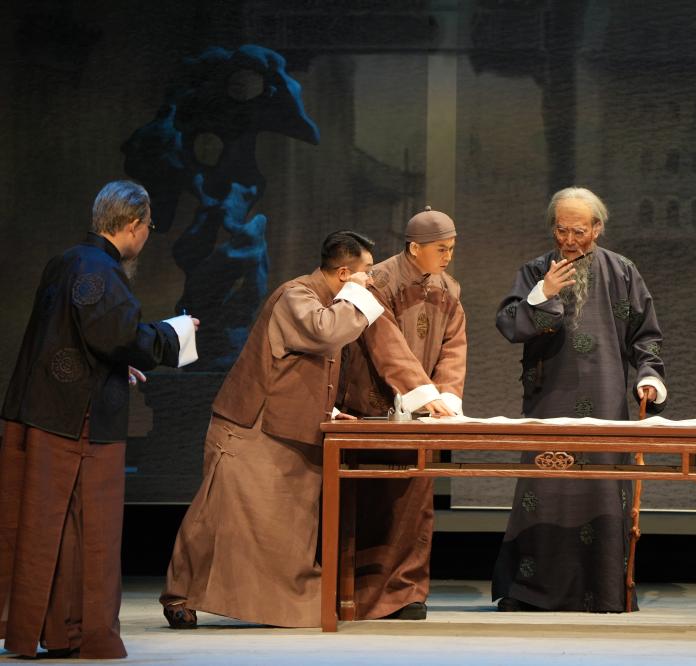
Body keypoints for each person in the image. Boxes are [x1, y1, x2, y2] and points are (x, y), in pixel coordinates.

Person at [0, 180, 196, 659]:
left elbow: (71, 334)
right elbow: (120, 335)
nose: (147, 235)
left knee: (49, 524)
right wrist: (173, 335)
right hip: (76, 424)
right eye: (149, 226)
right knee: (87, 527)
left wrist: (109, 365)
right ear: (132, 225)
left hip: (46, 411)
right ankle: (78, 633)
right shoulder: (101, 270)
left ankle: (52, 631)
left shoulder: (66, 261)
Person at [160, 230, 386, 629]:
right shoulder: (296, 296)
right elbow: (324, 332)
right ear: (344, 272)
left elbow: (296, 364)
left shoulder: (326, 300)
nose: (370, 279)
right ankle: (181, 595)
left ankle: (281, 606)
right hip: (251, 427)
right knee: (216, 516)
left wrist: (329, 408)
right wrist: (359, 297)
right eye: (366, 271)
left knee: (284, 532)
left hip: (286, 425)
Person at [490, 187, 667, 613]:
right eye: (561, 230)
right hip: (549, 398)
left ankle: (602, 591)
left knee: (600, 489)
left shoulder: (623, 271)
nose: (569, 240)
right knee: (544, 489)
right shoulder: (536, 270)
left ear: (597, 228)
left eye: (579, 231)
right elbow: (509, 324)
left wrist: (649, 376)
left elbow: (646, 337)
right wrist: (542, 294)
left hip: (605, 400)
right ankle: (531, 592)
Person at [337, 206, 466, 620]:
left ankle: (407, 592)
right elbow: (385, 343)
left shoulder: (448, 288)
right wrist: (422, 392)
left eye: (451, 248)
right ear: (414, 248)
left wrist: (447, 398)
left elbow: (453, 347)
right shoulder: (379, 281)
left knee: (415, 504)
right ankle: (359, 592)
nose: (448, 256)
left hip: (421, 414)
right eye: (441, 249)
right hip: (372, 405)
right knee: (372, 503)